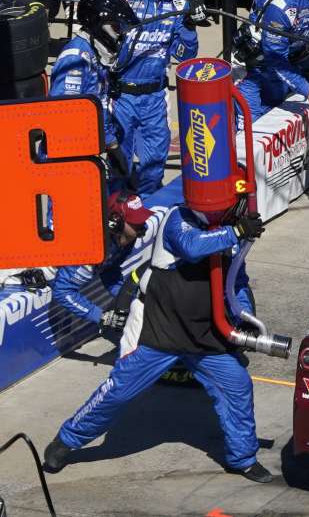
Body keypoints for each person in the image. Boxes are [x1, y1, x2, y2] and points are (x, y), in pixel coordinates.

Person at [43, 200, 269, 482]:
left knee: (237, 385)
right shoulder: (179, 218)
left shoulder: (232, 235)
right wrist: (234, 232)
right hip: (156, 329)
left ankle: (243, 459)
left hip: (203, 334)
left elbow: (237, 282)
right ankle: (66, 440)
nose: (140, 229)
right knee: (119, 391)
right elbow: (192, 246)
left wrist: (244, 314)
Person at [114, 0, 204, 196]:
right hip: (121, 95)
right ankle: (117, 210)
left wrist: (188, 27)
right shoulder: (122, 0)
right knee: (118, 160)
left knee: (154, 162)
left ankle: (145, 206)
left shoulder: (178, 5)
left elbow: (186, 55)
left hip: (155, 95)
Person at [50, 0, 137, 188]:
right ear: (99, 24)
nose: (121, 34)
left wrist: (111, 145)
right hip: (67, 155)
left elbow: (99, 107)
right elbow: (63, 115)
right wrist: (109, 144)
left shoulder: (95, 54)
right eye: (117, 27)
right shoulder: (76, 60)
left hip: (86, 150)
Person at [50, 191, 152, 331]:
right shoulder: (90, 248)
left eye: (141, 221)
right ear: (115, 223)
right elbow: (62, 291)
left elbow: (109, 271)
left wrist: (131, 299)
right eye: (136, 224)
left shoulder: (126, 237)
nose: (142, 228)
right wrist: (102, 317)